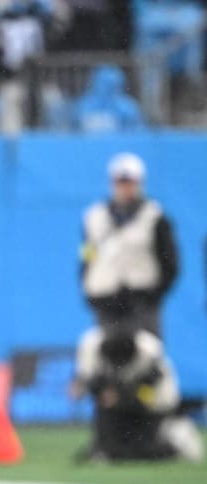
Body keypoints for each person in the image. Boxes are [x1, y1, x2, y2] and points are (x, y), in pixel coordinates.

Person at [71, 324, 202, 463]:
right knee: (111, 439)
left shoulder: (150, 351)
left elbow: (149, 390)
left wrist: (122, 397)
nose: (119, 368)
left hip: (154, 403)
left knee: (143, 450)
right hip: (120, 400)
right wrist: (84, 387)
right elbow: (90, 379)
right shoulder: (91, 344)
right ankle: (104, 447)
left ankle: (176, 440)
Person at [80, 152, 177, 336]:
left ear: (140, 183)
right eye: (120, 182)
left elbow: (169, 262)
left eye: (130, 182)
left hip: (141, 300)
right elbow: (87, 254)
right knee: (107, 358)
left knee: (146, 354)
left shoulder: (155, 217)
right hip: (106, 299)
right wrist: (89, 289)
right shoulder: (94, 217)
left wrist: (154, 294)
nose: (125, 188)